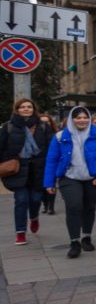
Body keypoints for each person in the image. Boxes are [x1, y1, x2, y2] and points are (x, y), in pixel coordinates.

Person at [44, 106, 96, 258]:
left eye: (85, 117)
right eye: (78, 117)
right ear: (71, 119)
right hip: (69, 177)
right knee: (74, 205)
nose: (82, 120)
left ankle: (86, 237)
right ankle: (74, 242)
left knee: (89, 207)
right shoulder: (60, 137)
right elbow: (51, 160)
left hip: (91, 179)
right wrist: (49, 183)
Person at [1, 98, 52, 245]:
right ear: (17, 109)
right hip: (17, 170)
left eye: (29, 107)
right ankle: (20, 233)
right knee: (21, 200)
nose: (26, 109)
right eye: (22, 107)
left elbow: (50, 147)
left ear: (33, 109)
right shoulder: (8, 126)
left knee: (36, 199)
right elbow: (1, 147)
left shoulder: (42, 126)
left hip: (38, 170)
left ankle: (34, 217)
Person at [38, 113, 58, 215]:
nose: (45, 124)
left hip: (51, 163)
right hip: (39, 163)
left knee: (51, 184)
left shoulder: (56, 135)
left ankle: (51, 206)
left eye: (47, 121)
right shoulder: (36, 134)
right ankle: (45, 205)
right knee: (42, 186)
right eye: (42, 122)